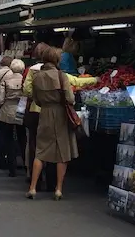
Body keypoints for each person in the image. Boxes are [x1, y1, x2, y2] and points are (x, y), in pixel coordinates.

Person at [26, 47, 79, 201]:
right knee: (62, 153)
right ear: (57, 59)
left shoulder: (37, 77)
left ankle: (33, 188)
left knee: (40, 151)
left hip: (45, 114)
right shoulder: (61, 76)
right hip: (61, 114)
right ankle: (58, 189)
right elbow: (70, 99)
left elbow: (36, 99)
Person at [0, 59, 26, 177]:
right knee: (23, 138)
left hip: (7, 111)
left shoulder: (6, 80)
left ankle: (11, 168)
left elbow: (0, 99)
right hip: (21, 110)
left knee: (8, 140)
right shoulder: (24, 80)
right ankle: (26, 165)